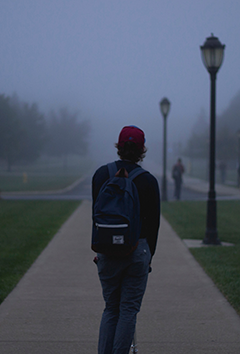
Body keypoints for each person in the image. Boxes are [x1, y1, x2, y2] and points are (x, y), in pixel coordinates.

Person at [92, 125, 160, 354]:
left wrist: (100, 249)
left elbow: (96, 216)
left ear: (119, 147)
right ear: (142, 150)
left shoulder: (101, 175)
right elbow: (153, 226)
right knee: (128, 310)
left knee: (111, 309)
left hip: (108, 251)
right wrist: (149, 256)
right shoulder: (148, 181)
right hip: (137, 250)